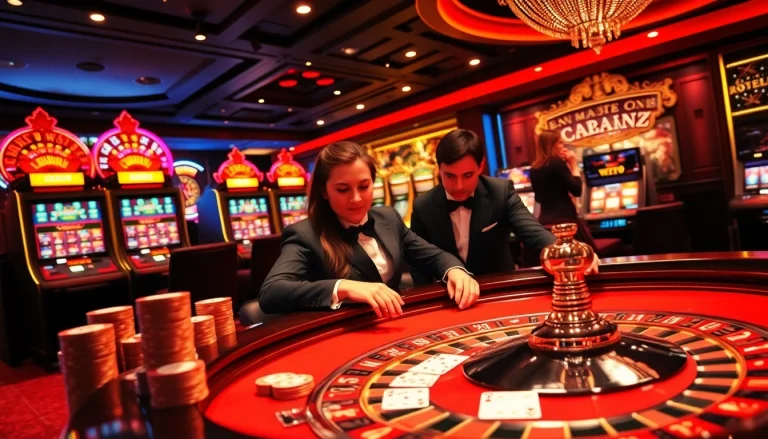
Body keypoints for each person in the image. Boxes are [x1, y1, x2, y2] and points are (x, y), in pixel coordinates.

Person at [253, 141, 480, 320]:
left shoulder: (388, 218)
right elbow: (271, 293)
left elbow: (434, 256)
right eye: (343, 189)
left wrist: (454, 270)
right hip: (339, 335)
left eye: (364, 186)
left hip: (393, 325)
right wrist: (344, 287)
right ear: (324, 191)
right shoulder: (305, 234)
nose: (356, 198)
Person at [410, 129, 591, 284]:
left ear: (481, 166)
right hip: (450, 295)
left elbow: (533, 232)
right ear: (438, 169)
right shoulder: (423, 206)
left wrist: (571, 253)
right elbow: (418, 262)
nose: (459, 186)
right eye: (450, 176)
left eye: (467, 175)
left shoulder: (500, 191)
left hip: (498, 288)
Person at [529, 130, 597, 250]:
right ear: (552, 144)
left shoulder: (534, 168)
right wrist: (573, 164)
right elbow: (577, 190)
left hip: (545, 222)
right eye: (560, 143)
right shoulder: (556, 162)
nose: (563, 146)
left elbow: (538, 198)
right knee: (586, 257)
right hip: (566, 221)